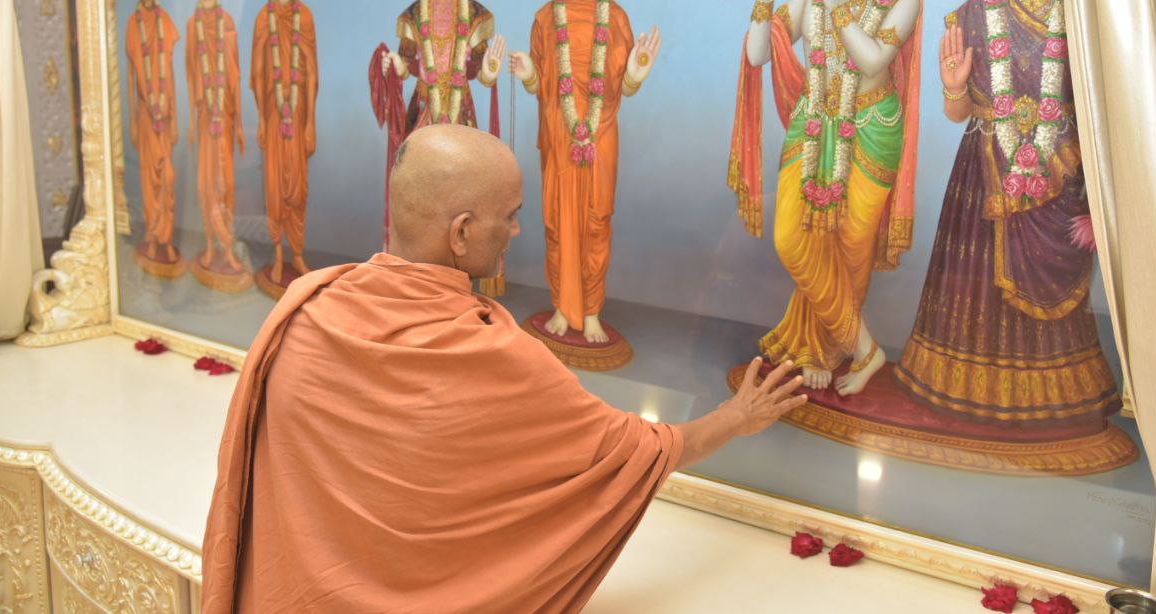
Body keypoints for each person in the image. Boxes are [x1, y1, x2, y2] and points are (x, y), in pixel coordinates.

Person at [201, 124, 805, 613]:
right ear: (461, 233)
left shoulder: (309, 306)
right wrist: (736, 417)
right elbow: (636, 451)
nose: (517, 229)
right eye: (511, 214)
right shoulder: (489, 354)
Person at [894, 0, 1121, 425]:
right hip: (985, 172)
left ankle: (1050, 398)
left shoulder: (1086, 15)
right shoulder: (975, 14)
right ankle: (963, 388)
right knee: (976, 286)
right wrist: (953, 87)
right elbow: (958, 114)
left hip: (1062, 172)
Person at [727, 0, 936, 395]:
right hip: (814, 121)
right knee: (793, 240)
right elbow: (758, 54)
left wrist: (838, 0)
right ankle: (866, 350)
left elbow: (871, 60)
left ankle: (825, 349)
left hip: (872, 128)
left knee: (849, 249)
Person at [509, 0, 661, 343]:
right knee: (557, 222)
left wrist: (634, 76)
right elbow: (541, 87)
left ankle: (591, 310)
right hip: (559, 137)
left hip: (600, 134)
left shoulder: (616, 19)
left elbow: (622, 88)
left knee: (597, 220)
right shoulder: (544, 19)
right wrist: (528, 74)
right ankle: (562, 306)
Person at [372, 0, 504, 293]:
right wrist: (395, 66)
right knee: (423, 204)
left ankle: (459, 290)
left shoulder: (478, 16)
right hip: (423, 119)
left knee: (466, 205)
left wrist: (490, 73)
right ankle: (418, 286)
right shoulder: (412, 17)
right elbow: (410, 65)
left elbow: (479, 70)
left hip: (462, 119)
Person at [249, 0, 318, 292]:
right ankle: (278, 254)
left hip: (299, 116)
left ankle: (298, 254)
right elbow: (258, 74)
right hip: (274, 119)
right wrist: (261, 120)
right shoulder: (263, 19)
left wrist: (310, 124)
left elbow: (313, 73)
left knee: (298, 191)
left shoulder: (305, 17)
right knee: (275, 189)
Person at [185, 0, 248, 288]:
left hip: (224, 119)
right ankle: (210, 246)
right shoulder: (191, 26)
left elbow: (235, 77)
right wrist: (191, 125)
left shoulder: (228, 24)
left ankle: (228, 249)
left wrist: (240, 126)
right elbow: (190, 75)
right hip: (204, 120)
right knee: (205, 185)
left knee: (226, 186)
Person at [124, 0, 183, 275]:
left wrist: (175, 120)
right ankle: (151, 237)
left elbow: (170, 73)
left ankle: (167, 237)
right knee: (148, 180)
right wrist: (133, 121)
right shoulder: (132, 25)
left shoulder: (165, 21)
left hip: (165, 114)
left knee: (168, 180)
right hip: (145, 115)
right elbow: (132, 76)